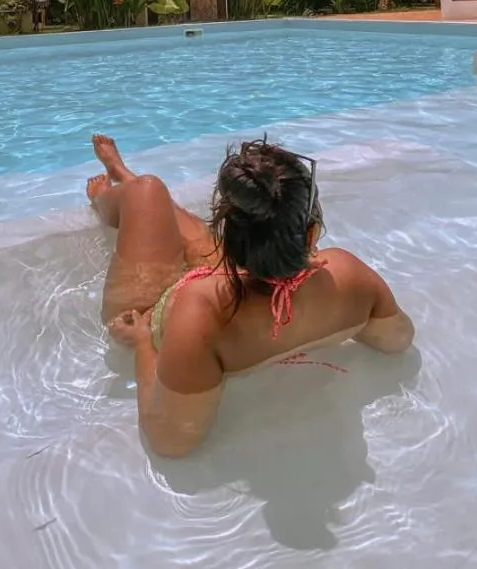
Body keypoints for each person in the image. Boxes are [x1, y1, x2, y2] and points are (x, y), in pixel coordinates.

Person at [88, 134, 414, 458]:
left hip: (156, 307)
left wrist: (143, 342)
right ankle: (126, 178)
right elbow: (397, 340)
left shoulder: (203, 312)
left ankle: (116, 193)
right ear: (311, 234)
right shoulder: (348, 274)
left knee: (148, 191)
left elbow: (171, 441)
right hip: (229, 282)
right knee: (158, 202)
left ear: (228, 241)